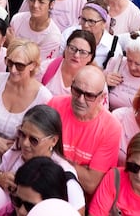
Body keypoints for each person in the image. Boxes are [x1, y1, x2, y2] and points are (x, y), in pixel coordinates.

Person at [48, 64, 121, 197]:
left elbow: (91, 184)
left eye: (89, 96)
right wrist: (81, 169)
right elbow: (35, 150)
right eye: (77, 91)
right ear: (71, 86)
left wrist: (53, 155)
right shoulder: (54, 105)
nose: (81, 100)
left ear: (102, 97)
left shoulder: (111, 128)